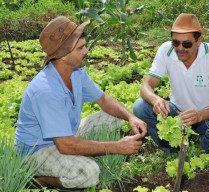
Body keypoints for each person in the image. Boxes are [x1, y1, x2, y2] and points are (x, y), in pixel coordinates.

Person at [14, 16, 147, 189]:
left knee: (116, 118)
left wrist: (131, 117)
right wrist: (116, 147)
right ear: (63, 55)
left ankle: (75, 159)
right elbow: (65, 145)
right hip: (37, 151)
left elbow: (103, 99)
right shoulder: (46, 90)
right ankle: (39, 180)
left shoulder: (76, 71)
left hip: (66, 135)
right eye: (81, 48)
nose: (86, 51)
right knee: (88, 173)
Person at [133, 13, 209, 153]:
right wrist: (155, 99)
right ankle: (171, 147)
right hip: (177, 112)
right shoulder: (165, 50)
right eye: (176, 42)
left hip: (208, 114)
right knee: (140, 106)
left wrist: (199, 116)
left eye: (186, 43)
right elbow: (146, 86)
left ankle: (205, 150)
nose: (180, 48)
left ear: (199, 41)